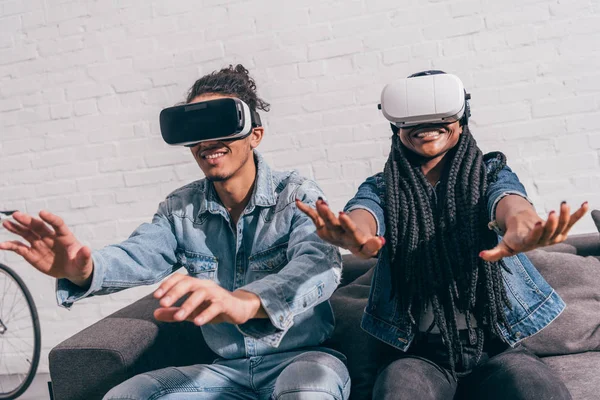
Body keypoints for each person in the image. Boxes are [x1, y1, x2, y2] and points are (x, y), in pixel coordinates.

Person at [0, 64, 350, 400]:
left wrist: (246, 303)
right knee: (128, 395)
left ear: (254, 135)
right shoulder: (181, 209)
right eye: (195, 129)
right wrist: (85, 269)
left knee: (308, 392)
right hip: (226, 371)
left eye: (220, 123)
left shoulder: (296, 195)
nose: (207, 140)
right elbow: (139, 253)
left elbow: (318, 264)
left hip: (302, 359)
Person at [297, 70, 588, 400]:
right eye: (411, 118)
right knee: (398, 390)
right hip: (421, 355)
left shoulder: (490, 173)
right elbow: (365, 214)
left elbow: (509, 202)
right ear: (396, 126)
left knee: (537, 390)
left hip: (495, 348)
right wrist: (354, 233)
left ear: (463, 118)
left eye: (440, 112)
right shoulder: (383, 188)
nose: (426, 123)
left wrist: (524, 226)